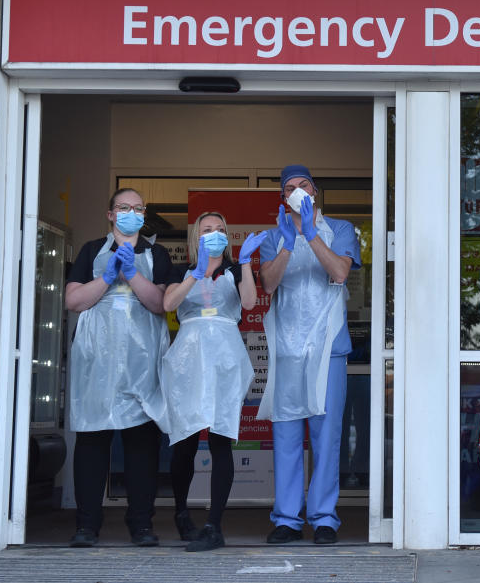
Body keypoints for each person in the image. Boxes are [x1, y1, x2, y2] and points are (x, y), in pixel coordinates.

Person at [257, 165, 361, 545]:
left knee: (326, 436)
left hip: (329, 349)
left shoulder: (342, 230)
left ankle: (323, 518)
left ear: (315, 192)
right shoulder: (274, 236)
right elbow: (268, 283)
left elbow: (339, 273)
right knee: (285, 434)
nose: (297, 192)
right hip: (287, 350)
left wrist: (314, 236)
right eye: (290, 189)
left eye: (303, 186)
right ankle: (286, 517)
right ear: (283, 198)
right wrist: (288, 243)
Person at [64, 188, 171, 547]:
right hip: (97, 364)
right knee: (92, 442)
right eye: (123, 208)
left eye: (138, 209)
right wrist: (107, 277)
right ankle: (86, 525)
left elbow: (160, 304)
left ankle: (141, 523)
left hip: (141, 366)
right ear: (110, 214)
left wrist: (133, 275)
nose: (131, 214)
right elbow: (74, 300)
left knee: (142, 445)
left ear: (144, 216)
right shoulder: (91, 251)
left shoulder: (157, 254)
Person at [158, 212, 265, 552]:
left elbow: (248, 302)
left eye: (220, 230)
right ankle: (181, 513)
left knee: (220, 438)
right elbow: (168, 304)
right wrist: (195, 272)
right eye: (207, 230)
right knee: (185, 441)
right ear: (196, 237)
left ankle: (214, 525)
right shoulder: (181, 271)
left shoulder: (234, 271)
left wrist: (246, 263)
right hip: (189, 359)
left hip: (224, 357)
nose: (215, 234)